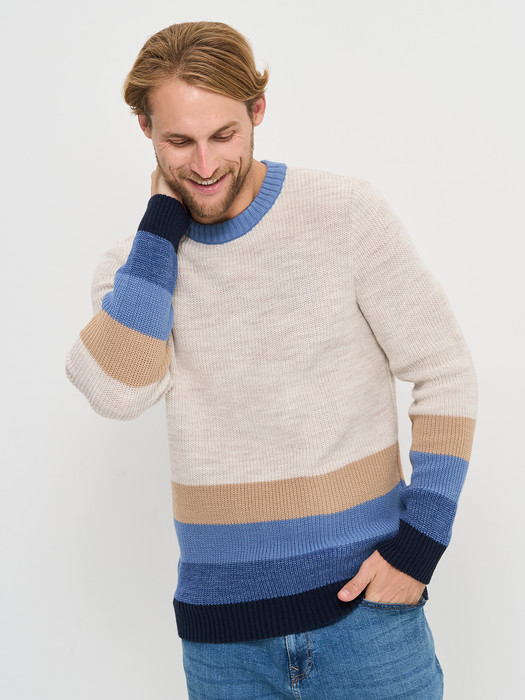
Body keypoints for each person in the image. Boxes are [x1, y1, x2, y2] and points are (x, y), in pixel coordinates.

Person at [66, 20, 478, 700]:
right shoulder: (139, 268)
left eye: (223, 135)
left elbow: (444, 370)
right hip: (223, 646)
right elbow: (117, 392)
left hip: (368, 624)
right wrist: (162, 224)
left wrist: (417, 549)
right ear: (146, 130)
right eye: (179, 141)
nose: (204, 165)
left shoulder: (343, 214)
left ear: (257, 111)